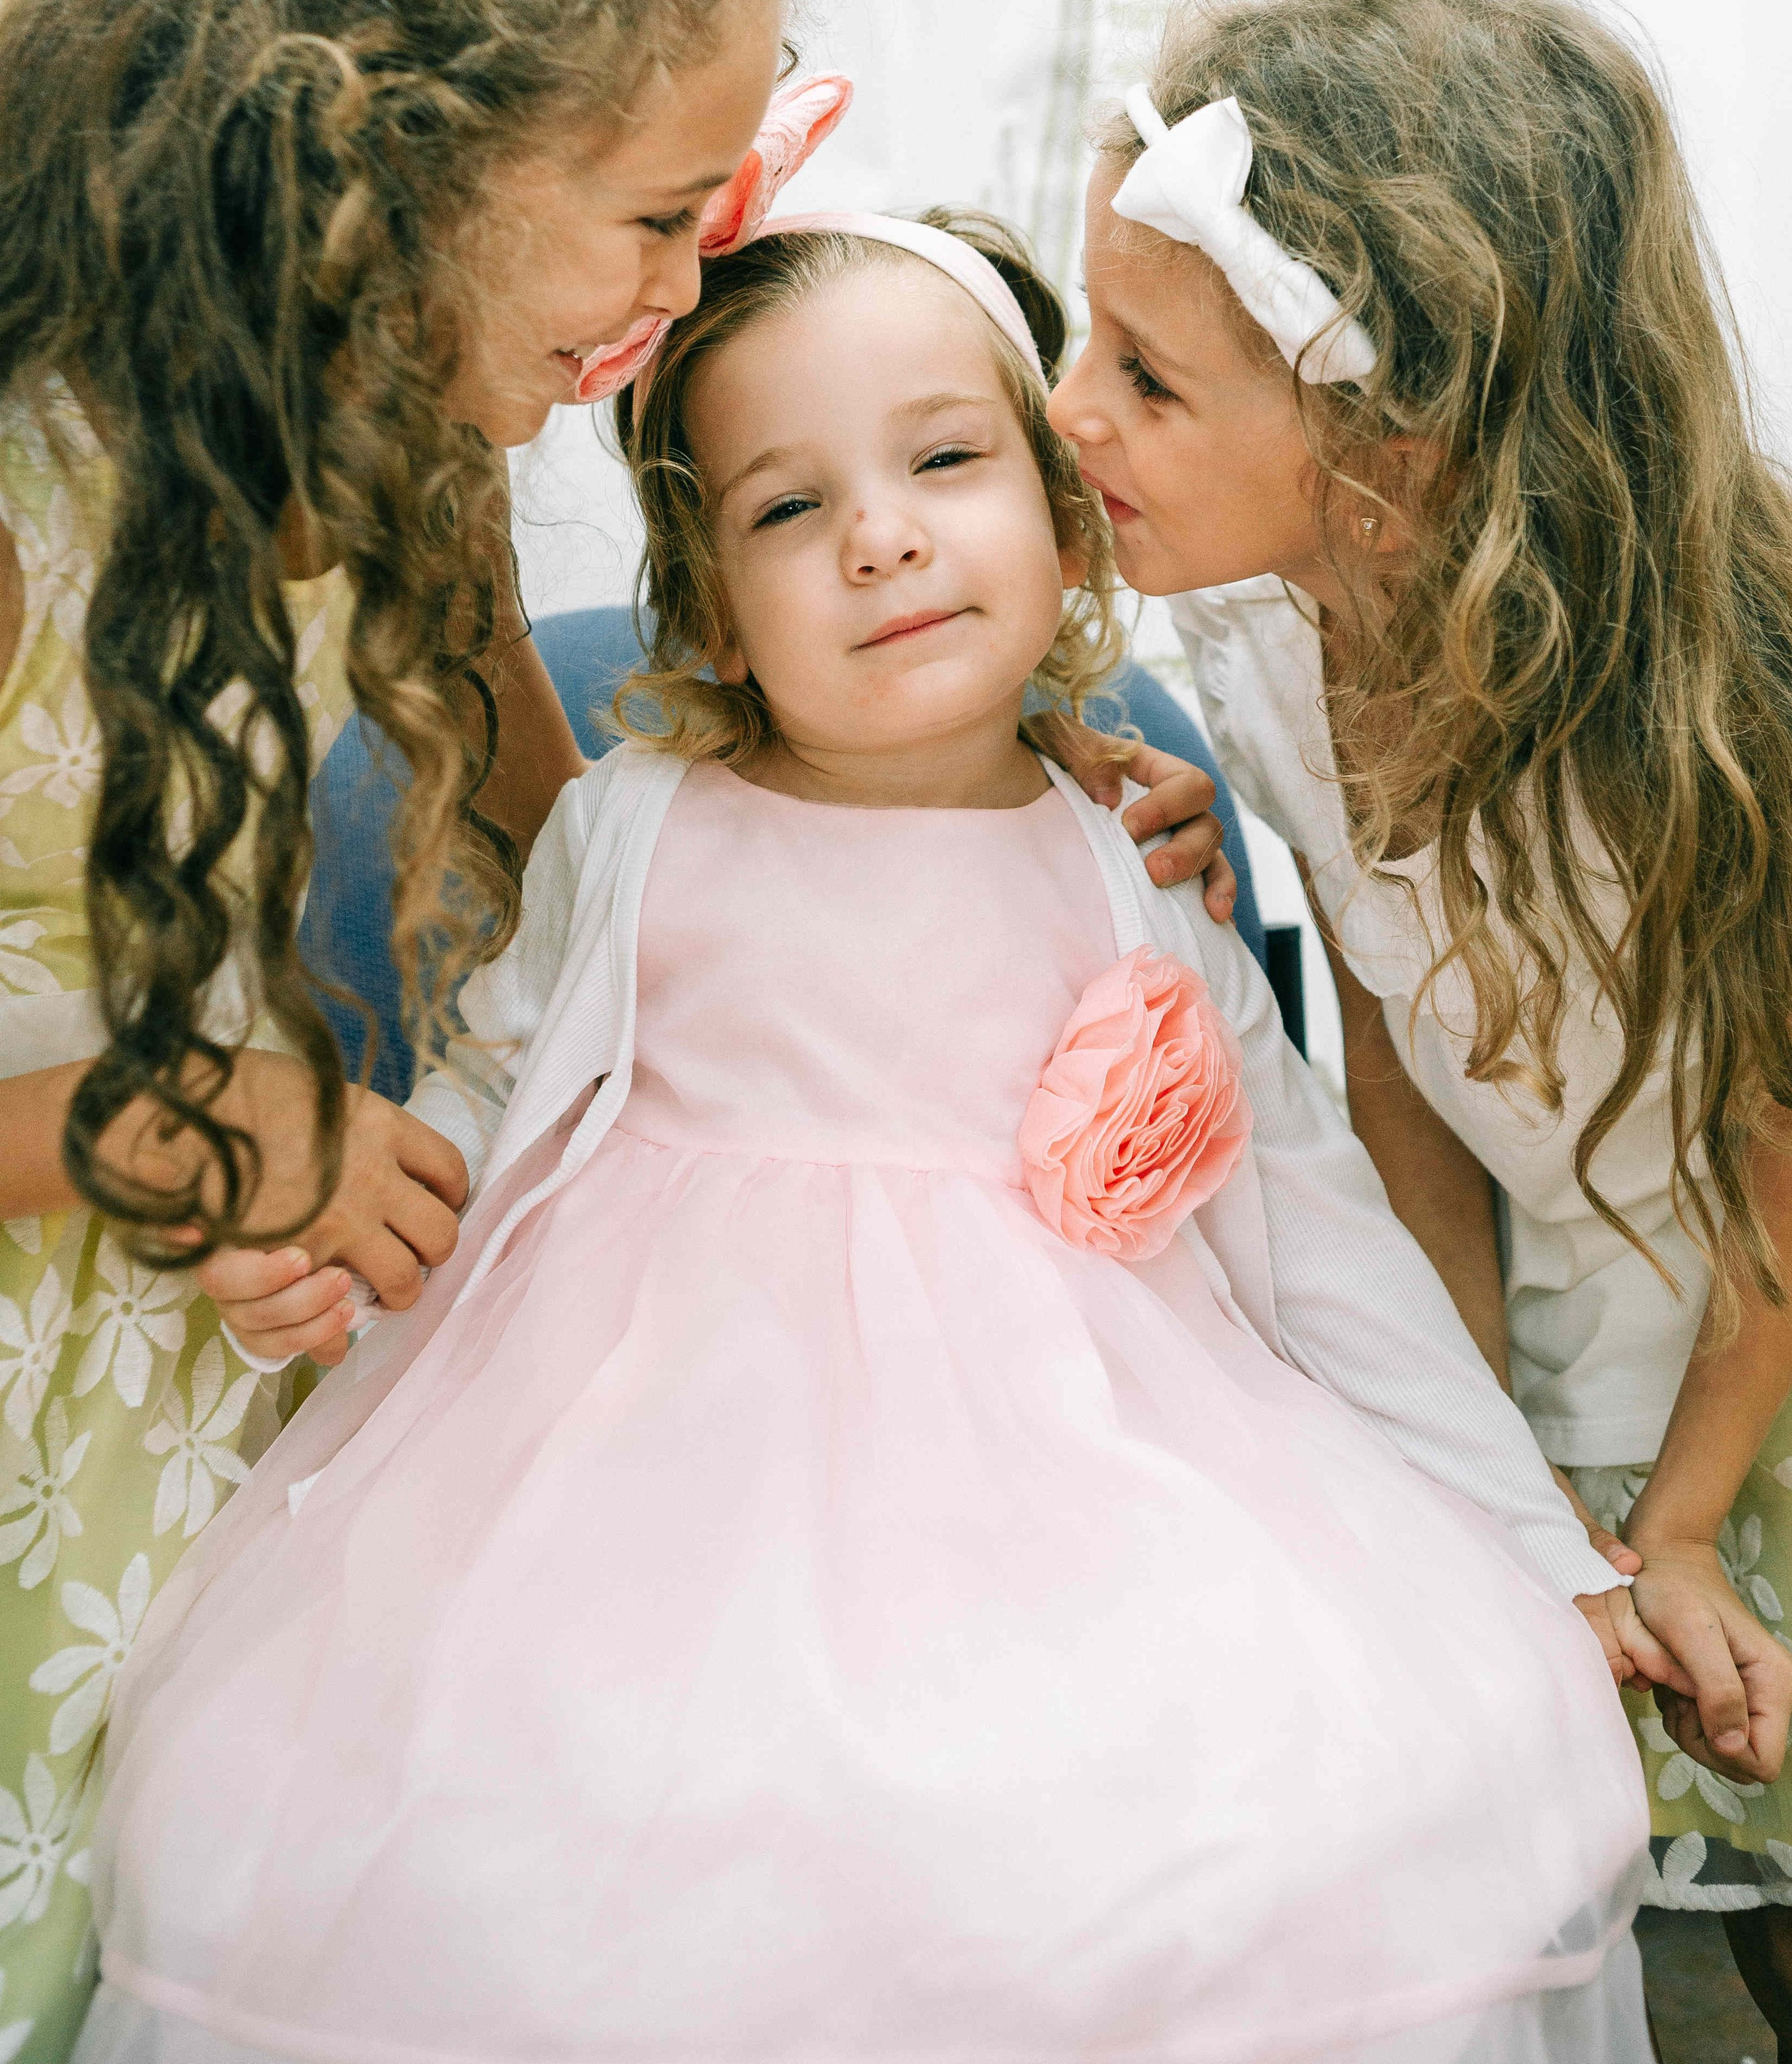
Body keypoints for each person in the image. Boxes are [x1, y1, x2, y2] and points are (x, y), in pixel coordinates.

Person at [74, 162, 1650, 2064]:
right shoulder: (635, 828)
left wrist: (1532, 1545)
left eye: (943, 464)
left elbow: (1319, 1236)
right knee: (501, 1837)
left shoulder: (1124, 865)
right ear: (716, 615)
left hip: (1083, 1477)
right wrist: (353, 1252)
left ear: (1070, 524)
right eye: (789, 507)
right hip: (649, 1465)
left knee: (1261, 1816)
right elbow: (497, 1093)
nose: (882, 543)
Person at [0, 0, 1222, 2060]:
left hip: (191, 1313)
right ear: (374, 171)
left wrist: (925, 797)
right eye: (665, 214)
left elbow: (606, 863)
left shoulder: (357, 403)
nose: (689, 291)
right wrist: (179, 1123)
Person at [1049, 0, 1792, 2059]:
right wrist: (1478, 1455)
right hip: (1569, 1339)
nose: (1066, 412)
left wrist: (1673, 1522)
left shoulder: (1740, 704)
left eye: (1144, 372)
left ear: (1390, 436)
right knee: (1586, 1838)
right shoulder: (1270, 648)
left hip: (1780, 1344)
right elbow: (1400, 1043)